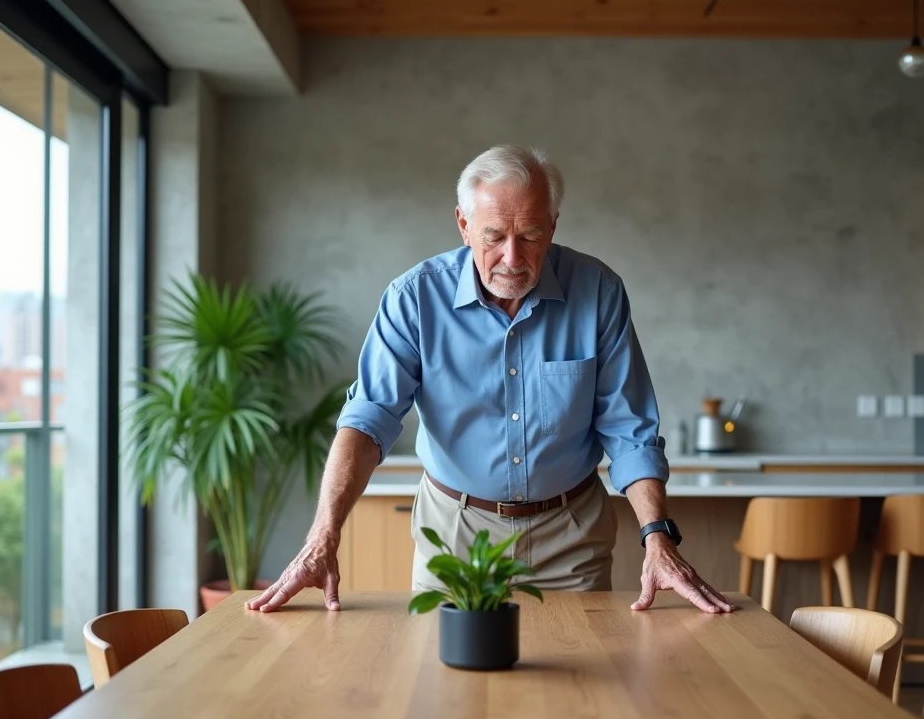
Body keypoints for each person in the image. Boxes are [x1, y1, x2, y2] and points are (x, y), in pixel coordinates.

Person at [247, 145, 734, 615]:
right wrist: (321, 539)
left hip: (570, 539)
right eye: (494, 235)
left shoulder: (599, 291)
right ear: (463, 225)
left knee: (577, 691)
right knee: (446, 690)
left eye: (530, 235)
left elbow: (630, 430)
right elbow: (367, 421)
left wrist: (659, 539)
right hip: (456, 535)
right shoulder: (414, 299)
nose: (512, 257)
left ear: (553, 227)